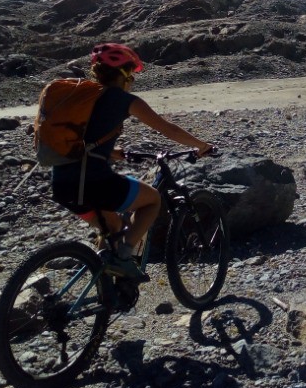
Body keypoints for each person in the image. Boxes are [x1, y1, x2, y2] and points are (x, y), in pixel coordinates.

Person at [51, 42, 214, 281]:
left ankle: (106, 288)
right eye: (132, 75)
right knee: (152, 200)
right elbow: (168, 129)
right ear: (125, 74)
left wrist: (112, 151)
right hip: (93, 183)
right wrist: (201, 145)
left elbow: (83, 142)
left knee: (114, 226)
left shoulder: (85, 100)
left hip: (62, 185)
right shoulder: (122, 99)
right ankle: (124, 257)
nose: (133, 81)